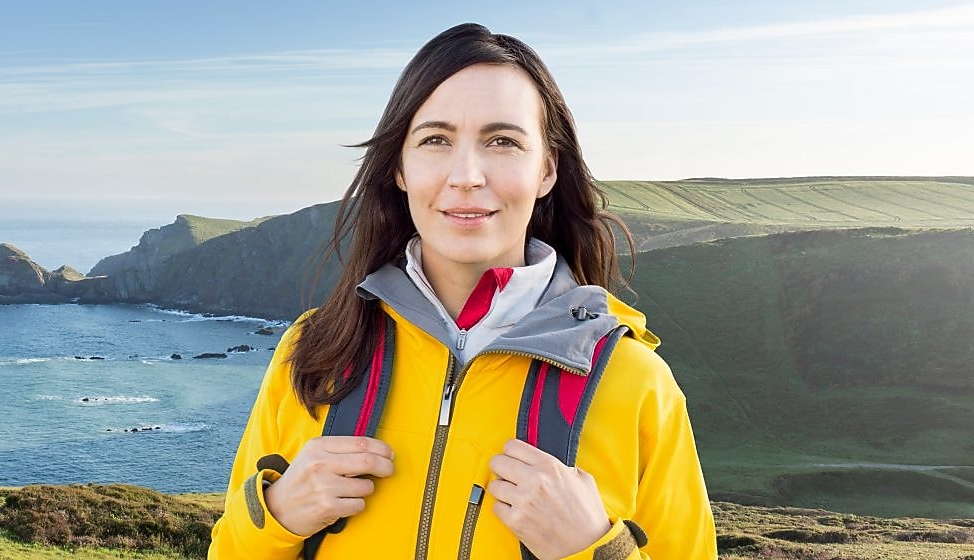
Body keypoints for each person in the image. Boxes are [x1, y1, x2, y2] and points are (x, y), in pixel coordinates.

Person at [209, 23, 716, 559]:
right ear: (399, 169)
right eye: (435, 140)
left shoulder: (635, 382)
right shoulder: (314, 348)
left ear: (547, 169)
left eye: (503, 141)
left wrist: (600, 551)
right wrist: (277, 517)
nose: (467, 174)